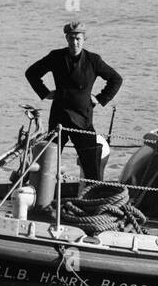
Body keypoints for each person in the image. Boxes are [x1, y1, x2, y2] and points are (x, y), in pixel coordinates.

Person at [25, 21, 123, 182]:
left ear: (84, 39)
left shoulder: (93, 60)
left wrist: (99, 98)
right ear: (66, 38)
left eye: (78, 38)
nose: (74, 42)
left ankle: (94, 197)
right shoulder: (56, 56)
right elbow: (31, 73)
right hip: (59, 118)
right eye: (71, 38)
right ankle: (40, 197)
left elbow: (116, 79)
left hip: (82, 119)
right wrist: (45, 93)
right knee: (46, 160)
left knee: (91, 165)